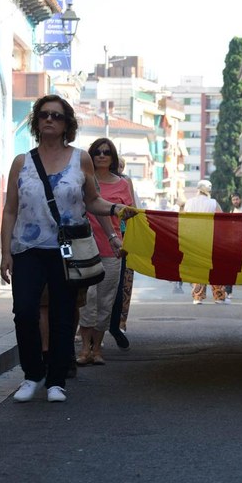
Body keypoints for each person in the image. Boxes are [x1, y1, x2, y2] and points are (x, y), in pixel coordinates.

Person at [0, 94, 135, 403]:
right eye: (44, 115)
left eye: (57, 116)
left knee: (63, 315)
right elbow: (10, 209)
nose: (50, 119)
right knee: (24, 312)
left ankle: (56, 380)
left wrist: (116, 210)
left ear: (66, 125)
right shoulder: (22, 162)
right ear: (36, 122)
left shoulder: (80, 159)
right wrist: (5, 251)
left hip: (67, 249)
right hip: (27, 248)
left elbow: (92, 200)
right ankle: (32, 374)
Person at [76, 138, 132, 366]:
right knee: (86, 300)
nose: (101, 155)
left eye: (106, 152)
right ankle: (84, 349)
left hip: (112, 249)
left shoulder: (122, 184)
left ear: (113, 157)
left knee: (105, 300)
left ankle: (97, 349)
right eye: (97, 152)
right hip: (84, 248)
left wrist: (125, 243)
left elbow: (129, 217)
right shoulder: (83, 181)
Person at [185, 180, 230, 305]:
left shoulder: (189, 203)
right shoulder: (213, 203)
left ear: (198, 189)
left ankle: (197, 297)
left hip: (193, 239)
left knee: (197, 267)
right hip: (211, 239)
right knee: (215, 267)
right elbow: (223, 220)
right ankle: (219, 296)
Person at [109, 156, 138, 342]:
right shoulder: (95, 180)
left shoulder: (125, 181)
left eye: (122, 166)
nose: (119, 169)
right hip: (101, 237)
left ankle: (119, 322)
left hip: (124, 238)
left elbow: (133, 209)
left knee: (124, 282)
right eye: (117, 165)